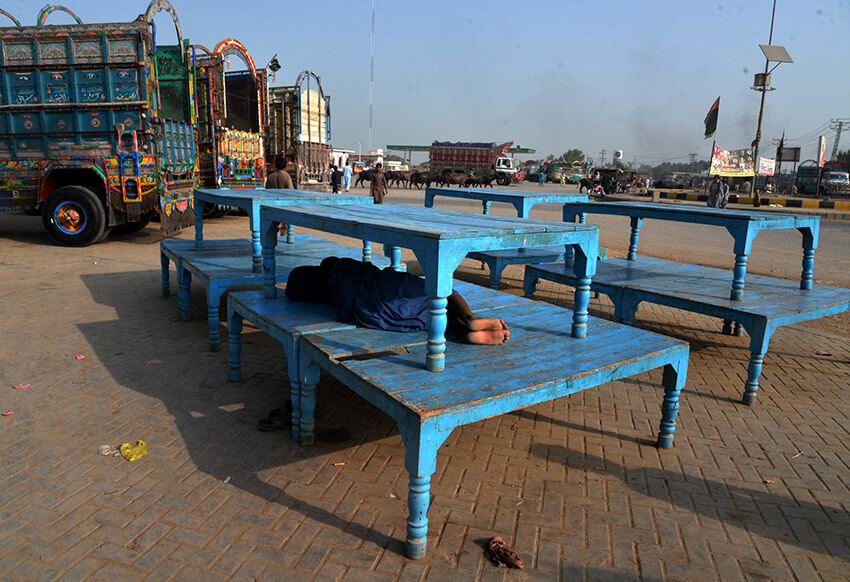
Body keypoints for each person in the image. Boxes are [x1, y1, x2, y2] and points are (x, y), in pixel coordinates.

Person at [285, 256, 510, 345]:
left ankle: (464, 332)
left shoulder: (333, 299)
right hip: (383, 286)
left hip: (370, 310)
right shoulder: (337, 267)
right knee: (442, 291)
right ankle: (470, 319)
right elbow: (367, 268)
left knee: (431, 316)